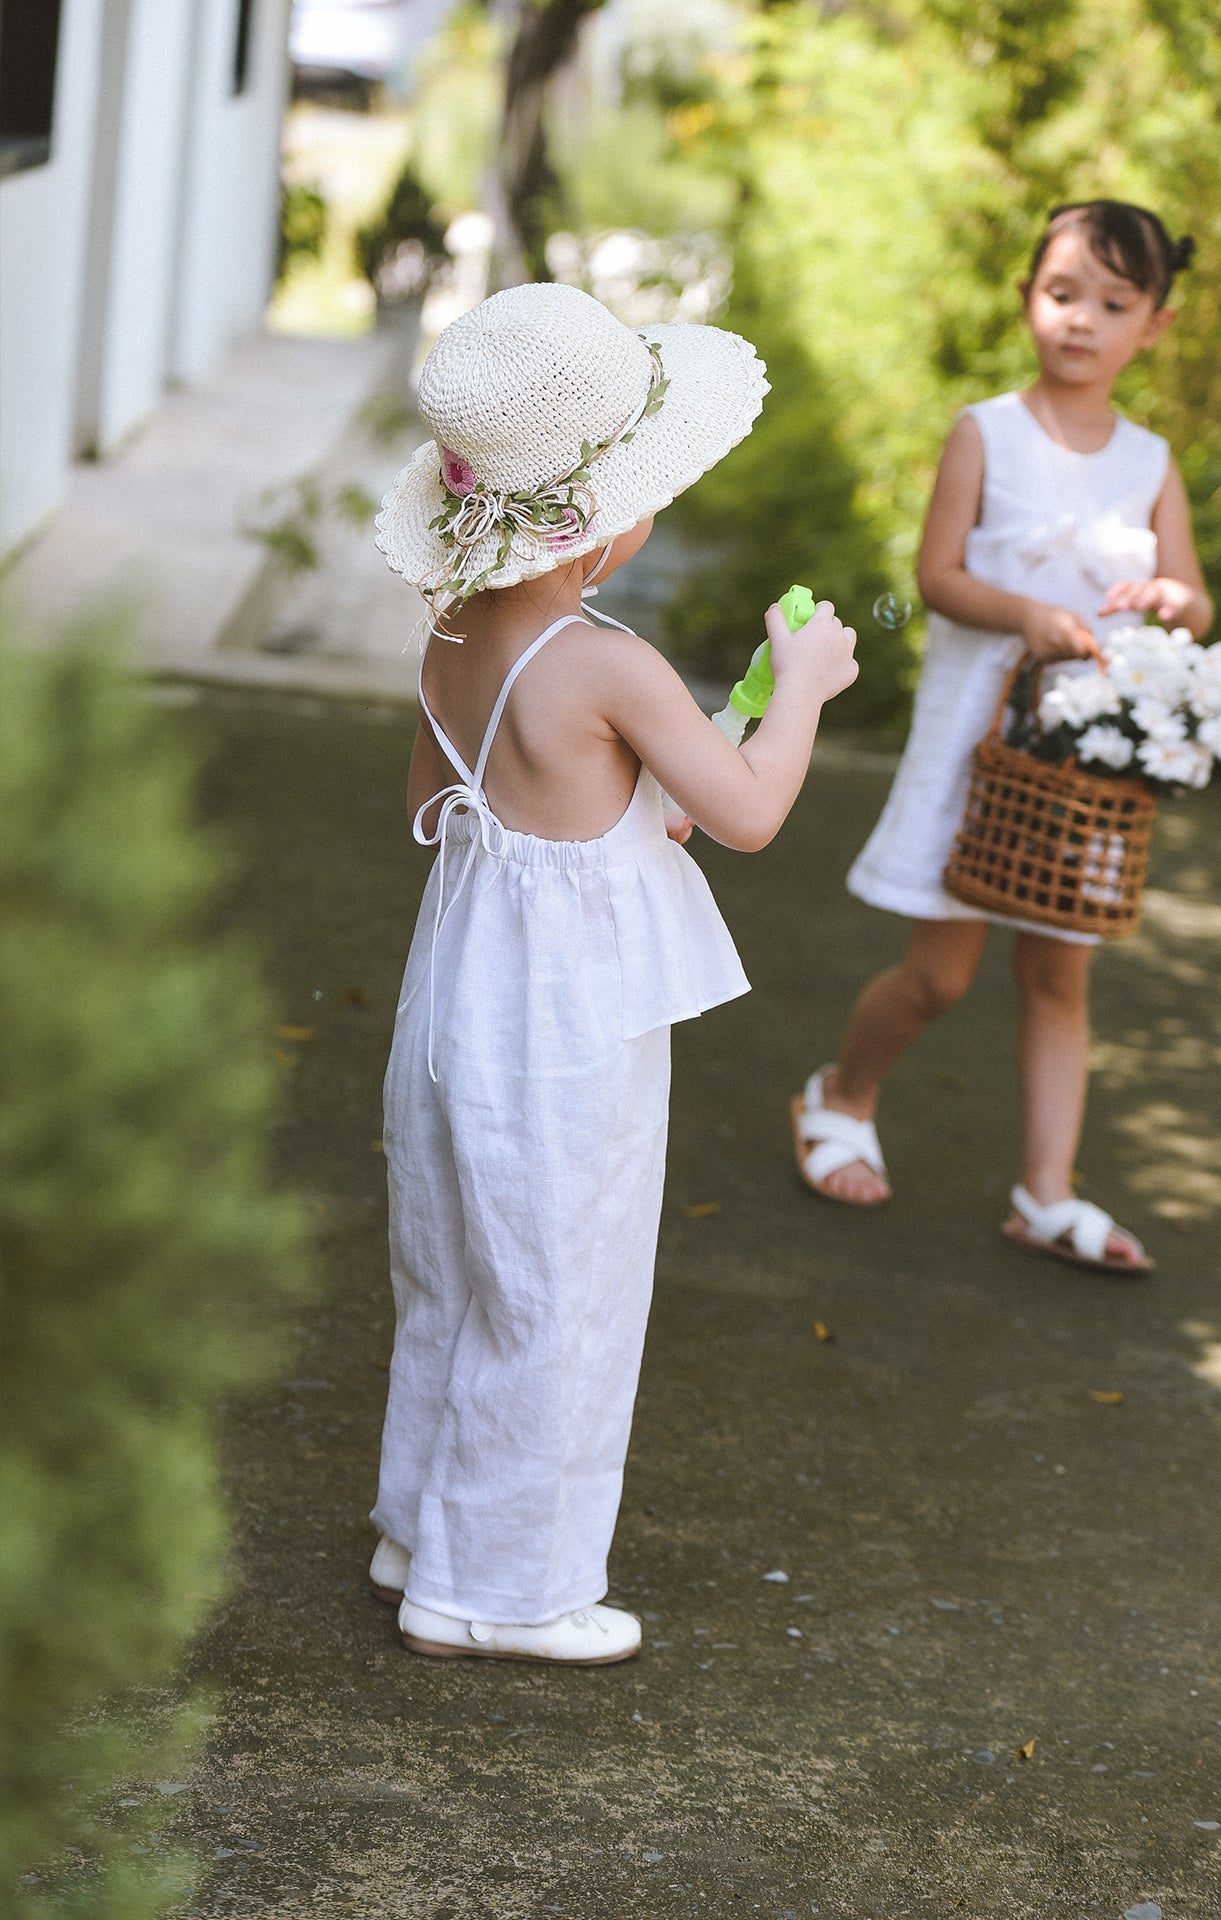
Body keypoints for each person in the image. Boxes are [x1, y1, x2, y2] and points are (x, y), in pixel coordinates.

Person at [366, 282, 858, 1664]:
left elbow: (445, 807)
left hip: (460, 994)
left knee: (459, 1263)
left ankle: (426, 1525)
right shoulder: (607, 660)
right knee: (562, 1282)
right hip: (563, 1023)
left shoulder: (456, 636)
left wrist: (649, 775)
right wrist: (800, 686)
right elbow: (751, 814)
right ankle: (498, 1589)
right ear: (598, 520)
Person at [792, 199, 1212, 1273]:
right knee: (938, 974)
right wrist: (1023, 614)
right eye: (1061, 294)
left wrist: (1168, 599)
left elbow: (1195, 605)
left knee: (1059, 974)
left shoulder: (1150, 459)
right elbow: (935, 577)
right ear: (1028, 297)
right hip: (981, 737)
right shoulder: (985, 430)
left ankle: (1044, 1189)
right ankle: (840, 1093)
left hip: (1083, 763)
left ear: (1151, 325)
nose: (1081, 321)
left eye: (1112, 304)